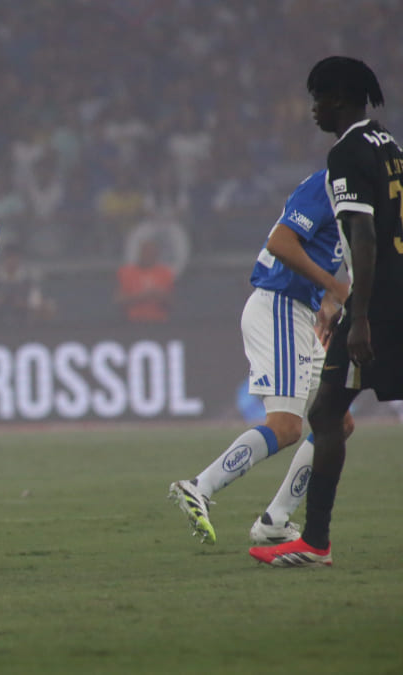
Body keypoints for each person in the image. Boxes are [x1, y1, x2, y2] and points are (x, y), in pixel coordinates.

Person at [251, 57, 403, 567]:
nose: (312, 108)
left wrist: (358, 312)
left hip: (380, 302)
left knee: (326, 414)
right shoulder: (390, 147)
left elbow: (362, 233)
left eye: (317, 98)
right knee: (327, 413)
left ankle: (315, 542)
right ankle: (312, 539)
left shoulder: (346, 153)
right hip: (384, 295)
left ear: (337, 99)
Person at [169, 168, 354, 546]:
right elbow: (280, 242)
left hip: (301, 312)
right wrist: (333, 288)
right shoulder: (328, 186)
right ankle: (199, 487)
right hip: (282, 306)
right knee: (286, 426)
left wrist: (329, 297)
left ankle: (275, 521)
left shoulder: (357, 198)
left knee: (337, 423)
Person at [115, 238, 175, 322]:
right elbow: (119, 301)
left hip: (159, 322)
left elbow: (171, 303)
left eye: (151, 252)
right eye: (145, 251)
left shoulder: (165, 273)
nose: (148, 255)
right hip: (133, 321)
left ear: (156, 254)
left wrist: (160, 296)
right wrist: (142, 296)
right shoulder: (126, 272)